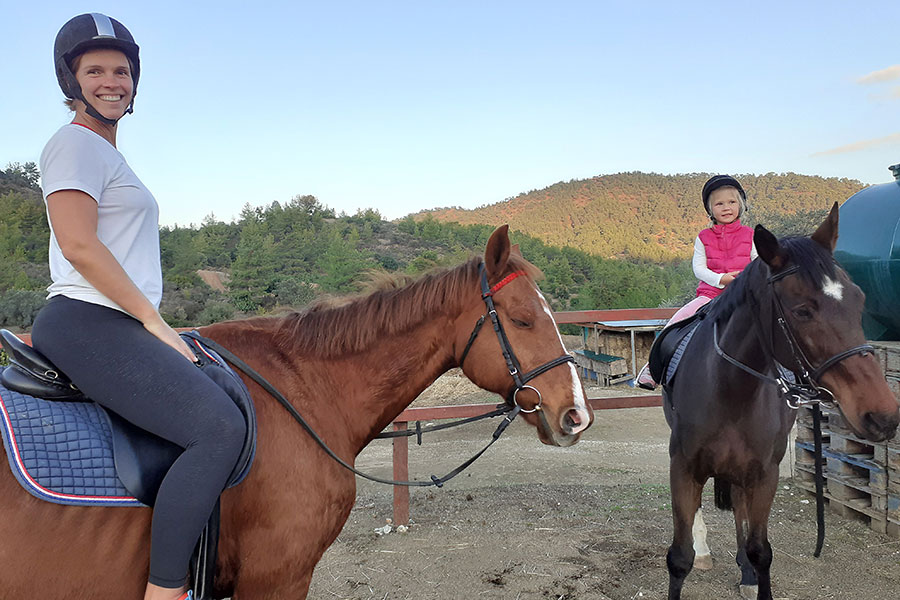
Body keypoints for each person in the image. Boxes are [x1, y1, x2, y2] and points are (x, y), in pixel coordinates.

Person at [30, 14, 246, 600]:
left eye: (121, 71)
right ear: (71, 80)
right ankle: (163, 591)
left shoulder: (106, 155)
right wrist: (154, 322)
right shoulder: (73, 143)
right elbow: (78, 243)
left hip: (111, 320)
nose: (111, 81)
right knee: (217, 429)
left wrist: (152, 321)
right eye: (94, 69)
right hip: (87, 320)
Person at [634, 174, 757, 390]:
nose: (726, 207)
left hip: (744, 294)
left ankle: (793, 374)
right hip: (709, 295)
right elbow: (699, 269)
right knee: (676, 322)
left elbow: (759, 262)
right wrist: (722, 279)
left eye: (732, 202)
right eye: (719, 203)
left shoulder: (751, 234)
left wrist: (746, 279)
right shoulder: (703, 237)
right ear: (710, 210)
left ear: (741, 205)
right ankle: (652, 369)